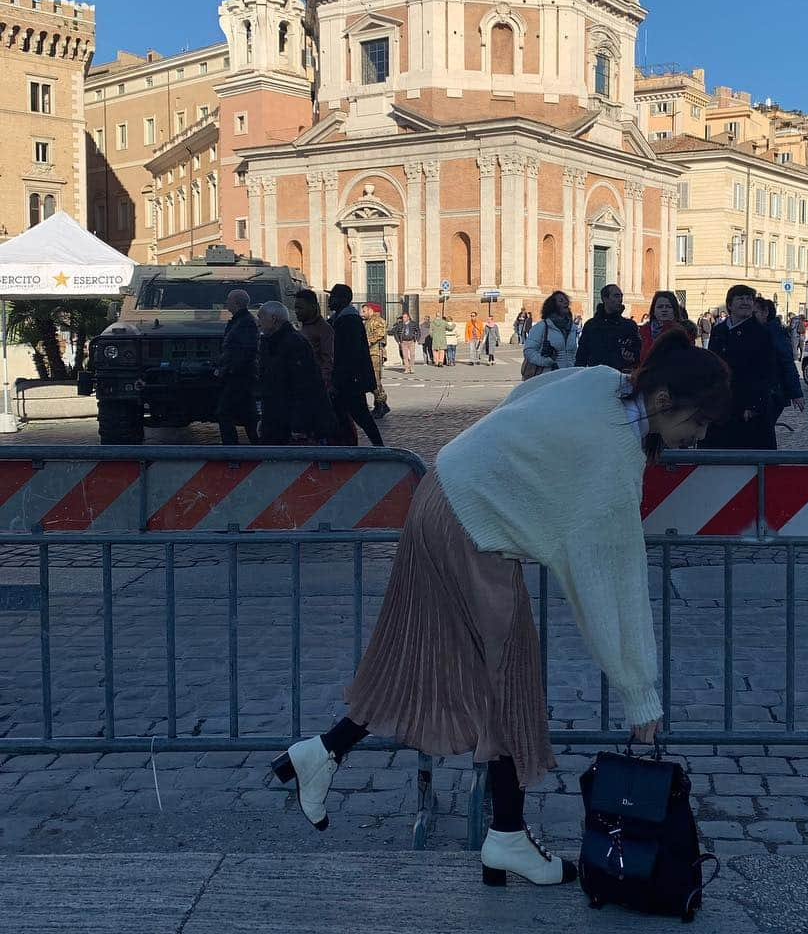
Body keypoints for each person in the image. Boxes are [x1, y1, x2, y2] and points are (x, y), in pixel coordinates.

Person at [269, 328, 731, 888]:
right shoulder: (613, 462)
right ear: (664, 402)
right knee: (505, 679)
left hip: (444, 494)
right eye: (698, 423)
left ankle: (325, 752)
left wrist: (523, 486)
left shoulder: (600, 382)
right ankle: (505, 836)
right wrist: (639, 694)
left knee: (435, 660)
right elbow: (613, 585)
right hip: (472, 527)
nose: (697, 439)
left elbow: (520, 402)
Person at [702, 284, 777, 450]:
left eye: (749, 299)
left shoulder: (761, 333)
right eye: (740, 298)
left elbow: (766, 371)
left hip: (747, 406)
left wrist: (754, 405)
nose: (746, 302)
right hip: (722, 402)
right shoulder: (718, 330)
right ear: (729, 304)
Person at [256, 301, 337, 445]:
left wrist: (299, 424)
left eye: (260, 317)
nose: (258, 322)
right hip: (277, 415)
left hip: (288, 419)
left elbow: (304, 386)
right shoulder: (271, 342)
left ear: (273, 319)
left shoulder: (293, 343)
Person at [327, 284, 384, 448]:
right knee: (345, 416)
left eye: (333, 297)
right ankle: (349, 446)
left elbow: (348, 354)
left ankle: (378, 447)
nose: (330, 300)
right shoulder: (341, 318)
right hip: (349, 379)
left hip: (350, 380)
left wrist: (340, 379)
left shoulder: (349, 321)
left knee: (361, 416)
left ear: (343, 300)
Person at [215, 289, 259, 445]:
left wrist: (229, 369)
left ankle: (231, 449)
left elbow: (243, 351)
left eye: (229, 299)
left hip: (239, 376)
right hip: (240, 375)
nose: (226, 302)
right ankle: (259, 445)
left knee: (225, 412)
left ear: (237, 303)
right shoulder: (242, 321)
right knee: (248, 415)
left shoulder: (244, 323)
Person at [753, 297, 805, 427]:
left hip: (774, 391)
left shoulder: (774, 333)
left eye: (755, 313)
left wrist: (796, 393)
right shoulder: (761, 331)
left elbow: (787, 363)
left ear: (766, 313)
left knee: (764, 429)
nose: (751, 317)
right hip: (766, 390)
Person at [575, 283, 641, 370]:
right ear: (605, 299)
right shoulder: (591, 325)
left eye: (621, 296)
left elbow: (638, 352)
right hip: (597, 375)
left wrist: (632, 357)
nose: (620, 300)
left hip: (621, 375)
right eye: (616, 296)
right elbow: (581, 356)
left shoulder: (629, 326)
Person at [523, 292, 578, 374]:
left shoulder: (572, 328)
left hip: (569, 376)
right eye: (561, 301)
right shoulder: (542, 326)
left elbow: (573, 353)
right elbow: (529, 351)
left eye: (566, 300)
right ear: (552, 306)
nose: (565, 302)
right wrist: (547, 361)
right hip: (548, 376)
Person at [638, 291, 697, 361]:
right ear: (654, 310)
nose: (664, 310)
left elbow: (688, 357)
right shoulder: (643, 330)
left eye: (668, 307)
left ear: (674, 310)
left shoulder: (684, 331)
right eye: (660, 307)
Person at [295, 289, 334, 392]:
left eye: (300, 308)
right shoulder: (304, 326)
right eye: (295, 307)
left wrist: (322, 385)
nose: (296, 311)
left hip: (315, 385)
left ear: (313, 306)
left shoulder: (323, 329)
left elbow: (328, 359)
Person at [361, 303, 390, 419]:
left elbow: (379, 334)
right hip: (369, 353)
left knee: (375, 380)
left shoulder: (378, 321)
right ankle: (380, 404)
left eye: (364, 311)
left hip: (375, 353)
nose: (362, 314)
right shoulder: (368, 322)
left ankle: (381, 404)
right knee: (370, 380)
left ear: (371, 310)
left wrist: (365, 342)